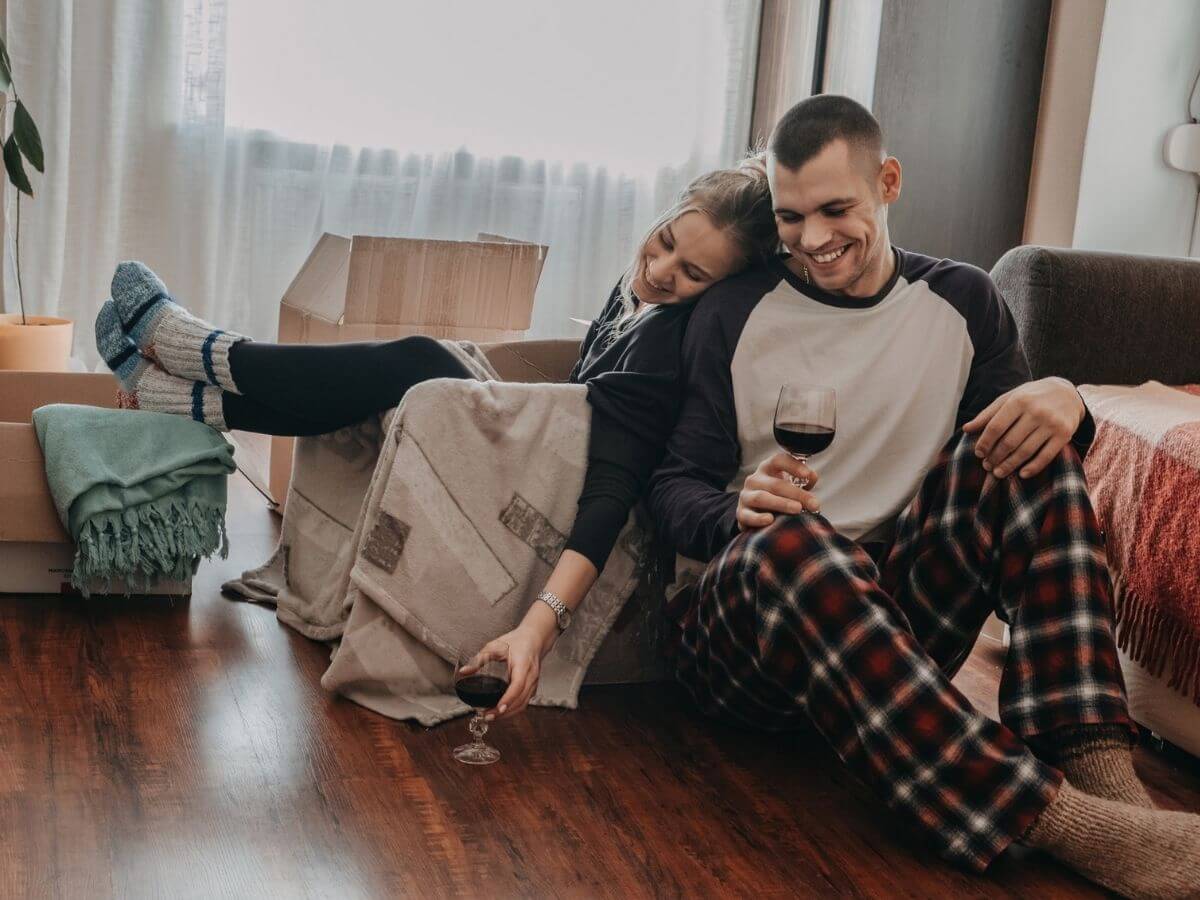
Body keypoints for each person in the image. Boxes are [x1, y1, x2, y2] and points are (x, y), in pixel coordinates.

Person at [647, 95, 1199, 898]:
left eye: (837, 208)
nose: (812, 240)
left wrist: (1067, 400)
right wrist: (732, 510)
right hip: (746, 630)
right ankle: (1069, 826)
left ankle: (1099, 770)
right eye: (791, 216)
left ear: (889, 183)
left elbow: (1030, 475)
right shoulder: (734, 311)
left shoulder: (965, 299)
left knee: (1026, 445)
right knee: (803, 545)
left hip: (892, 632)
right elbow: (672, 488)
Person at [93, 157, 779, 721]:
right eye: (664, 244)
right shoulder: (637, 302)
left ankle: (200, 355)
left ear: (719, 288)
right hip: (526, 460)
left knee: (419, 363)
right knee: (391, 379)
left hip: (537, 496)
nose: (661, 271)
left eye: (692, 274)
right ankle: (191, 396)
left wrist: (540, 624)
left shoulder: (665, 341)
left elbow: (608, 488)